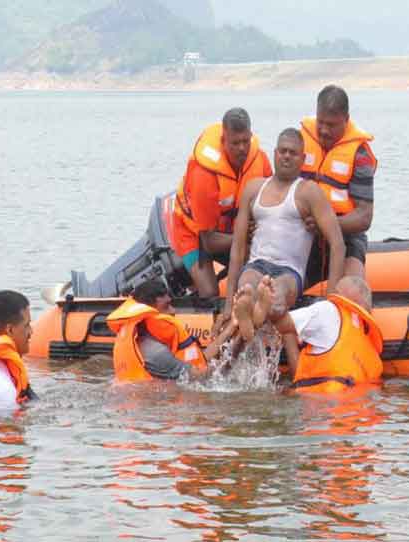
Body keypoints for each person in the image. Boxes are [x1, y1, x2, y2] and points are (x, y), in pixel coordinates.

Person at [219, 127, 345, 341]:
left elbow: (337, 244)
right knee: (248, 285)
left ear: (302, 158)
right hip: (256, 263)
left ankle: (253, 316)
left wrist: (331, 303)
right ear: (275, 153)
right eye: (283, 151)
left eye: (293, 153)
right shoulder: (253, 189)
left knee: (276, 297)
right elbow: (238, 249)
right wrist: (227, 301)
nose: (287, 156)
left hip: (289, 271)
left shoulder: (309, 191)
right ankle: (250, 311)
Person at [170, 107, 273, 298]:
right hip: (195, 235)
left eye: (245, 141)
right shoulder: (205, 175)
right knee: (210, 293)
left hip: (233, 231)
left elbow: (272, 202)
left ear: (251, 135)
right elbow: (208, 242)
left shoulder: (260, 161)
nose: (242, 148)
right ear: (224, 139)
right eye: (235, 143)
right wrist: (243, 235)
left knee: (265, 271)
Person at [300, 85, 378, 287]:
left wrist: (325, 224)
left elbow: (364, 216)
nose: (324, 130)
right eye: (321, 122)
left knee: (354, 289)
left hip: (347, 236)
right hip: (303, 232)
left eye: (332, 125)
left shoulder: (360, 155)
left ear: (346, 119)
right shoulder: (299, 143)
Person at [267, 275, 383, 394]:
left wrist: (274, 300)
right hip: (355, 407)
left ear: (338, 295)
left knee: (280, 393)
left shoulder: (329, 310)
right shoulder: (374, 358)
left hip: (323, 406)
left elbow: (281, 324)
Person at [106, 279, 236, 382]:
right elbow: (200, 377)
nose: (173, 311)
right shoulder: (154, 352)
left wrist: (232, 327)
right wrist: (238, 351)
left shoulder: (144, 337)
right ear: (149, 310)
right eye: (166, 306)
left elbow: (201, 361)